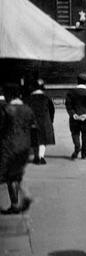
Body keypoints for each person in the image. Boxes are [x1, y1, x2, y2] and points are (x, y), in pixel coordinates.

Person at [0, 84, 36, 214]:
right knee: (16, 174)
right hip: (24, 146)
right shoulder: (28, 109)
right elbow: (33, 128)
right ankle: (24, 196)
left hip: (9, 146)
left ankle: (15, 205)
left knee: (10, 177)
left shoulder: (6, 109)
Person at [65, 73, 86, 160]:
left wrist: (73, 114)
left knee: (75, 133)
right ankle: (84, 154)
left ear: (77, 81)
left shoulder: (71, 92)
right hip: (85, 117)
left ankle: (77, 146)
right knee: (85, 135)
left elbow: (68, 105)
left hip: (74, 117)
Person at [27, 79, 55, 165]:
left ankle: (36, 156)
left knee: (34, 139)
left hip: (33, 122)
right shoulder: (47, 98)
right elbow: (52, 110)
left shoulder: (29, 99)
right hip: (45, 122)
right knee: (43, 140)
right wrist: (51, 120)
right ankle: (41, 157)